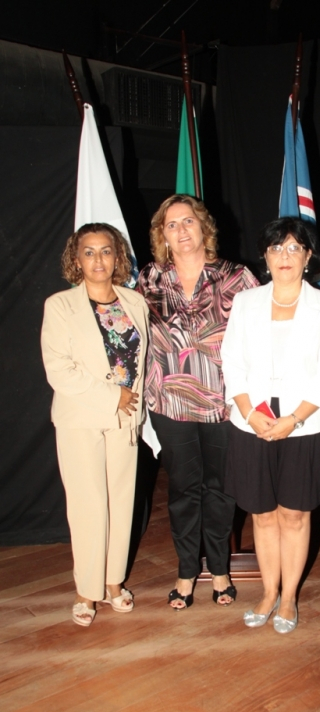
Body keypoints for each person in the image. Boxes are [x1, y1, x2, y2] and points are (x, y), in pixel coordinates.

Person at [221, 218, 320, 634]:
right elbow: (231, 361)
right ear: (265, 256)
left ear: (308, 256)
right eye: (276, 248)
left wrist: (294, 419)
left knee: (293, 514)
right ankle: (268, 592)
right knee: (262, 514)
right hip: (251, 422)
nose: (285, 256)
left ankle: (289, 597)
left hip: (304, 425)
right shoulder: (245, 302)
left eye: (294, 248)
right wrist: (248, 412)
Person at [138, 194, 259, 609]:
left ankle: (220, 569)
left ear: (203, 226)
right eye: (171, 224)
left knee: (221, 488)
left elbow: (269, 319)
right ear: (162, 235)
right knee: (183, 489)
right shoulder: (149, 278)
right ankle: (187, 570)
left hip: (224, 402)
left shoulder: (235, 276)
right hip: (168, 402)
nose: (181, 230)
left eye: (188, 221)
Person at [41, 223, 149, 627]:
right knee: (88, 505)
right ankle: (87, 590)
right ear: (76, 258)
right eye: (89, 252)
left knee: (121, 502)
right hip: (81, 418)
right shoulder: (60, 305)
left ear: (118, 257)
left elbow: (141, 361)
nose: (98, 259)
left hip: (125, 418)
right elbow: (59, 369)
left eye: (106, 251)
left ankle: (113, 582)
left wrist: (131, 407)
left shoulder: (134, 302)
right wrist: (111, 395)